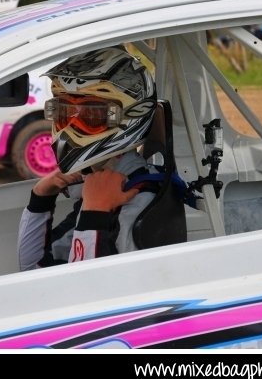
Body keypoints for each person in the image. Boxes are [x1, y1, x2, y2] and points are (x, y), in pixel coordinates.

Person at [17, 47, 159, 270]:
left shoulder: (139, 199)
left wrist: (95, 214)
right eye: (64, 113)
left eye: (92, 115)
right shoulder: (96, 182)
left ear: (132, 114)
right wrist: (40, 198)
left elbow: (87, 294)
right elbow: (32, 271)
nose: (71, 128)